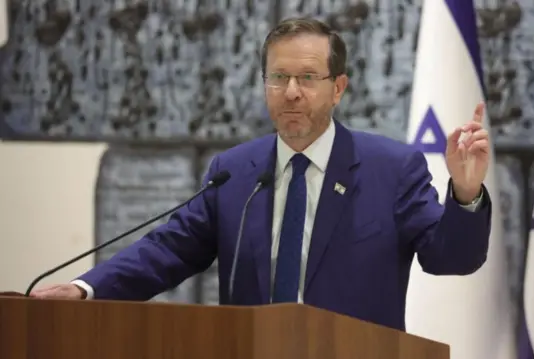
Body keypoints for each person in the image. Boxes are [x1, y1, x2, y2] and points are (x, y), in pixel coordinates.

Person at [31, 17, 493, 332]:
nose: (291, 92)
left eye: (307, 78)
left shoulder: (391, 169)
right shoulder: (233, 172)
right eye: (278, 78)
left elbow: (449, 258)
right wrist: (84, 289)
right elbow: (167, 250)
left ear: (338, 88)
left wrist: (466, 192)